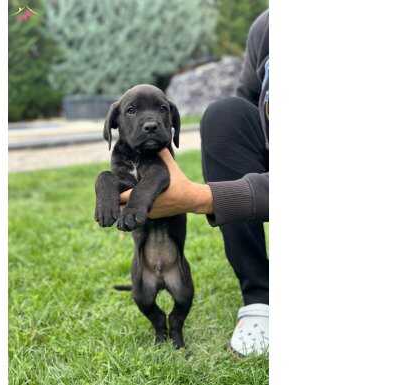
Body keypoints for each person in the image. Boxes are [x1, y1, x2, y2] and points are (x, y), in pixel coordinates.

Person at [120, 10, 269, 356]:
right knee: (224, 114)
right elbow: (243, 108)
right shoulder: (267, 27)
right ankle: (259, 298)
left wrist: (203, 197)